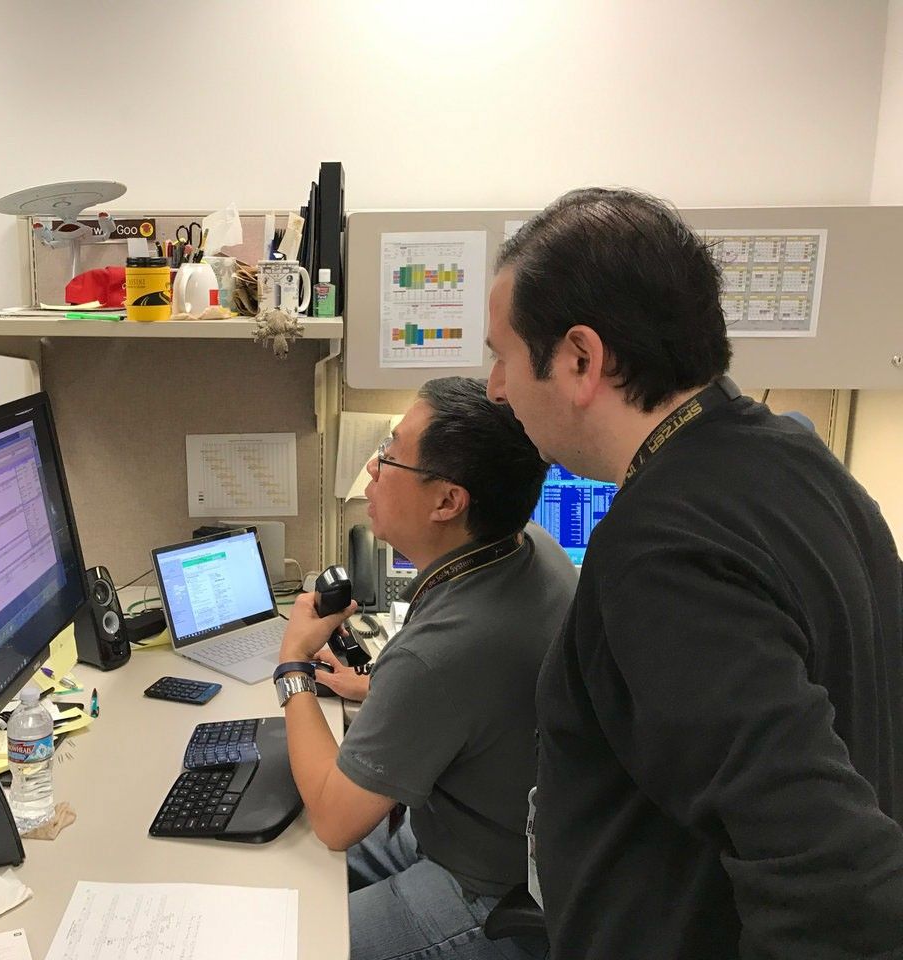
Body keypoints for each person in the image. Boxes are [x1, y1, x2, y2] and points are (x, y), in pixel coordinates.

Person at [485, 187, 903, 959]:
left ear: (580, 359)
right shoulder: (796, 458)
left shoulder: (659, 550)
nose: (496, 387)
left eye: (502, 356)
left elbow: (838, 885)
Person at [275, 377, 577, 960]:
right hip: (494, 835)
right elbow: (483, 693)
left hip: (484, 892)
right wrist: (380, 687)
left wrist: (294, 665)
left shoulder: (439, 655)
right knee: (281, 862)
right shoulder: (527, 545)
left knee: (289, 938)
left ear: (447, 502)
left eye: (390, 455)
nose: (371, 467)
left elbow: (338, 820)